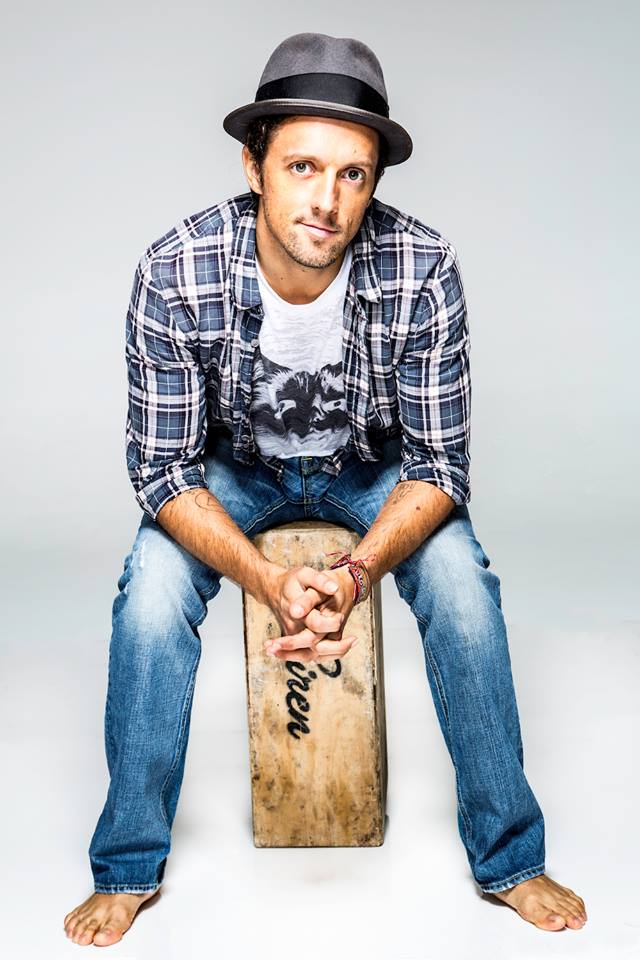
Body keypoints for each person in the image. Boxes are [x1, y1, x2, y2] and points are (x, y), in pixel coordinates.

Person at [63, 32, 587, 948]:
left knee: (463, 584)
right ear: (253, 164)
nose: (327, 200)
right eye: (302, 166)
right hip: (232, 473)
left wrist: (352, 574)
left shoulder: (421, 266)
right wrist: (267, 580)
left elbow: (438, 465)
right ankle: (127, 865)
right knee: (148, 595)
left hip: (368, 469)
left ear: (374, 181)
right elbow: (164, 471)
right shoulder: (177, 269)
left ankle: (511, 856)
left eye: (353, 174)